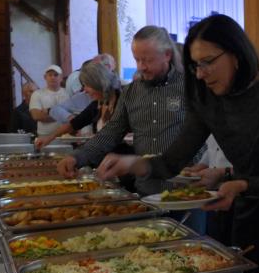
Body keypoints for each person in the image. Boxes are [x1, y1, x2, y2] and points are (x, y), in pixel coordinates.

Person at [93, 14, 259, 273]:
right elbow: (172, 161)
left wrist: (241, 183)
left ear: (236, 53)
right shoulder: (205, 97)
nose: (201, 73)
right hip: (241, 212)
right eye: (195, 65)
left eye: (208, 62)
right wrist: (129, 163)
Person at [56, 25, 186, 197]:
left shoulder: (188, 87)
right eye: (137, 60)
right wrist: (77, 157)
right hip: (147, 189)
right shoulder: (131, 92)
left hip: (186, 188)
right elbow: (111, 132)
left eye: (147, 60)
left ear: (167, 55)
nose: (141, 67)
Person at [35, 63, 120, 150]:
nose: (85, 91)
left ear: (97, 83)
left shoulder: (122, 101)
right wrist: (49, 138)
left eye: (87, 85)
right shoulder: (98, 104)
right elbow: (74, 123)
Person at [29, 64, 69, 136]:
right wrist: (63, 116)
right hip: (44, 136)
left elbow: (74, 114)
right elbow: (36, 115)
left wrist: (48, 113)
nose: (52, 77)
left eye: (56, 75)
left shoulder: (68, 93)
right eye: (50, 75)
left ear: (61, 78)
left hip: (66, 136)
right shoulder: (37, 94)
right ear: (45, 77)